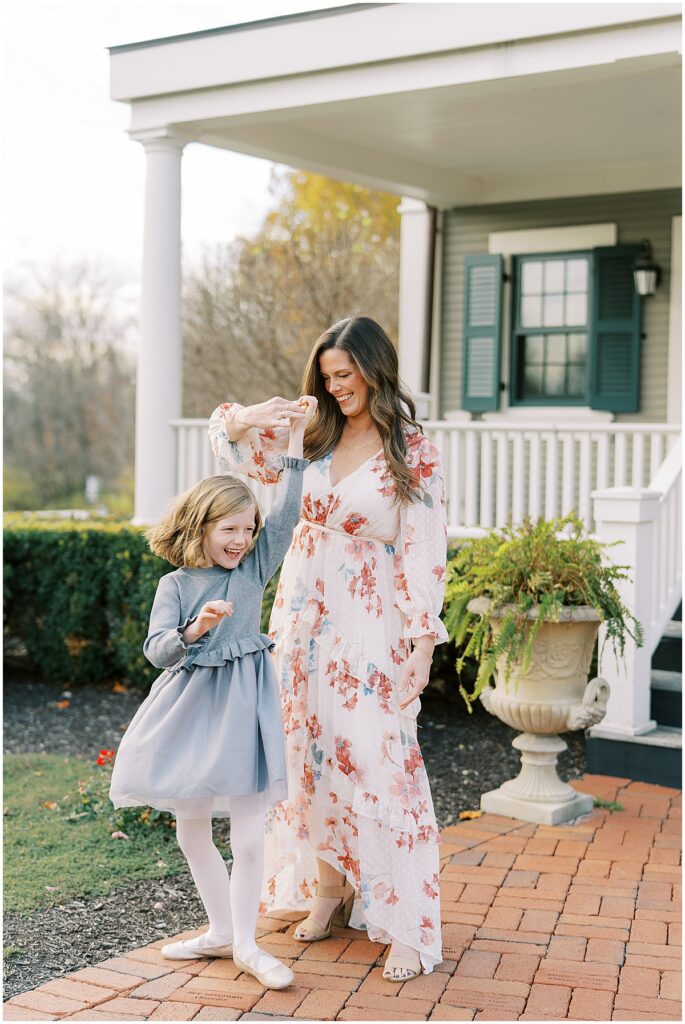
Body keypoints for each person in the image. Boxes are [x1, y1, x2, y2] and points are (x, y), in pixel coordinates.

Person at [208, 316, 448, 980]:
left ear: (376, 369)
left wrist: (420, 643)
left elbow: (424, 551)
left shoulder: (412, 448)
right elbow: (238, 452)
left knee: (378, 761)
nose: (336, 385)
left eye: (346, 374)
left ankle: (404, 918)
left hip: (368, 621)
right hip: (300, 616)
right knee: (308, 754)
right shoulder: (308, 435)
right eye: (327, 374)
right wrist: (249, 416)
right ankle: (327, 890)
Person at [110, 398, 316, 990]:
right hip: (190, 708)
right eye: (231, 530)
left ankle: (249, 944)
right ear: (201, 526)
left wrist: (297, 438)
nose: (243, 539)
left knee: (250, 833)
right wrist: (195, 630)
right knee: (190, 828)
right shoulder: (175, 584)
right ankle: (221, 929)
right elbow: (156, 650)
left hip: (245, 709)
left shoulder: (252, 571)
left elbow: (289, 510)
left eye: (248, 531)